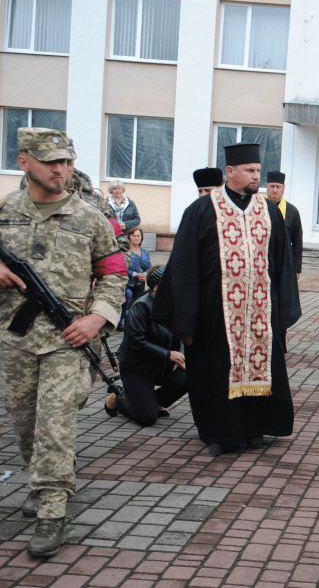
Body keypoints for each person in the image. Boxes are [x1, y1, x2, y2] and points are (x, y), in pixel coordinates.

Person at [0, 128, 126, 558]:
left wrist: (96, 319)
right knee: (24, 422)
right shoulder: (4, 210)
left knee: (55, 422)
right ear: (24, 161)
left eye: (68, 162)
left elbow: (115, 274)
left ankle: (52, 510)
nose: (62, 170)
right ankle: (43, 476)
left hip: (67, 338)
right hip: (14, 337)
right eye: (53, 161)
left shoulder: (89, 217)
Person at [152, 143, 301, 456]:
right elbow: (183, 265)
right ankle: (221, 434)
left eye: (258, 171)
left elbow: (281, 262)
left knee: (263, 367)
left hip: (260, 312)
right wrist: (187, 318)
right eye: (250, 170)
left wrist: (281, 307)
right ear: (230, 172)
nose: (255, 176)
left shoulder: (268, 210)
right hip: (214, 315)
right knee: (216, 372)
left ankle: (254, 429)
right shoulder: (203, 210)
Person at [104, 266, 187, 426]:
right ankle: (119, 398)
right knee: (147, 418)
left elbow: (182, 336)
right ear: (156, 287)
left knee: (189, 376)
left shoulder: (174, 304)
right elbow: (136, 341)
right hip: (137, 368)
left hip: (160, 364)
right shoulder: (141, 306)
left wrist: (179, 355)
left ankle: (154, 402)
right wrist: (168, 354)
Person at [265, 171, 303, 281]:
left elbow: (297, 241)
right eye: (272, 186)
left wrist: (296, 268)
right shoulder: (259, 207)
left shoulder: (292, 211)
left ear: (283, 188)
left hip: (284, 261)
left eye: (278, 186)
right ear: (267, 186)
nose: (275, 190)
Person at [119, 228, 150, 321]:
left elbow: (149, 267)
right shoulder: (125, 251)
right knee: (128, 297)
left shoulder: (145, 252)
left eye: (138, 236)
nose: (136, 238)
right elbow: (123, 267)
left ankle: (133, 320)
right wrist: (135, 274)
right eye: (133, 236)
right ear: (129, 237)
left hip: (140, 282)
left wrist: (144, 274)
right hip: (128, 281)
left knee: (138, 302)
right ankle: (122, 319)